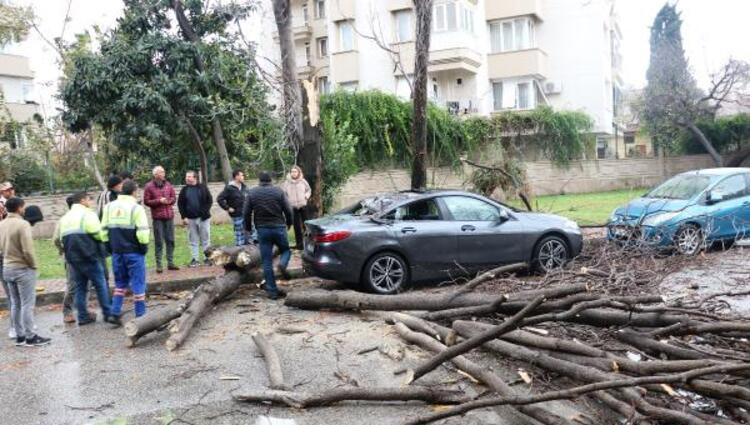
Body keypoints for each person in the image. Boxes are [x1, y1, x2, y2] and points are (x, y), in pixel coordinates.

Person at [55, 192, 116, 326]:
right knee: (100, 283)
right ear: (82, 200)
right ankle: (108, 314)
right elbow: (98, 234)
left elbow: (59, 239)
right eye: (89, 199)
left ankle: (82, 317)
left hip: (72, 258)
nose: (90, 202)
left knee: (80, 287)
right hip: (88, 255)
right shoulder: (88, 214)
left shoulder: (65, 218)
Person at [0, 197, 51, 346]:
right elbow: (27, 250)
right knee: (27, 304)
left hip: (7, 267)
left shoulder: (2, 224)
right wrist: (33, 265)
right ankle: (30, 337)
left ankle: (20, 336)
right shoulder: (23, 224)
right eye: (23, 207)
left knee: (15, 303)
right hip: (22, 268)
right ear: (19, 208)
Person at [101, 180, 150, 321]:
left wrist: (109, 247)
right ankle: (141, 316)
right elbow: (142, 231)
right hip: (134, 251)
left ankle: (115, 313)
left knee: (120, 283)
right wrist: (143, 247)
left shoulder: (109, 207)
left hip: (117, 251)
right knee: (138, 283)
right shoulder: (136, 208)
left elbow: (103, 229)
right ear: (134, 191)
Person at [244, 171, 293, 300]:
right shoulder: (279, 191)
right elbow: (288, 209)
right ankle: (282, 263)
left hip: (262, 230)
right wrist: (289, 222)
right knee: (286, 250)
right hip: (279, 227)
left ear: (259, 180)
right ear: (270, 180)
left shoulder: (252, 193)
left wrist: (248, 228)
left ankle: (272, 291)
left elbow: (246, 212)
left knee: (266, 260)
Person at [143, 166, 178, 273]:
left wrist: (169, 201)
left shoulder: (168, 184)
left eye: (163, 171)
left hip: (169, 216)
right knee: (159, 241)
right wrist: (159, 201)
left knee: (171, 240)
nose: (163, 173)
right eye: (161, 172)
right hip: (158, 218)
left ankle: (170, 263)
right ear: (156, 174)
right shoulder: (149, 186)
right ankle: (159, 265)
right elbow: (146, 201)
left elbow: (173, 197)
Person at [177, 171, 213, 267]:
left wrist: (204, 212)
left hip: (203, 218)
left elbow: (209, 200)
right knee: (193, 240)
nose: (187, 178)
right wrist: (183, 216)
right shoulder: (184, 190)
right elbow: (180, 204)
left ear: (195, 177)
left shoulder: (203, 187)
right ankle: (195, 259)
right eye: (186, 177)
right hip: (190, 219)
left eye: (189, 176)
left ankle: (207, 258)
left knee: (205, 239)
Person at [283, 165, 311, 250]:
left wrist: (306, 196)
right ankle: (299, 245)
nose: (293, 173)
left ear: (298, 172)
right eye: (292, 172)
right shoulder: (287, 183)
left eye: (295, 172)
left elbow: (309, 190)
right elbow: (284, 194)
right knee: (296, 226)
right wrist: (288, 202)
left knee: (306, 225)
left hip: (303, 205)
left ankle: (309, 243)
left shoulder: (303, 181)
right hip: (293, 207)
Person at [218, 169, 249, 246]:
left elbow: (249, 198)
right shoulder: (229, 188)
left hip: (246, 213)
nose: (243, 177)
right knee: (239, 232)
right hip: (236, 214)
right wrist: (227, 208)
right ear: (236, 177)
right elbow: (219, 199)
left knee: (248, 232)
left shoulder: (244, 187)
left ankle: (248, 250)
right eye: (241, 175)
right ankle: (239, 248)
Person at [0, 182, 14, 338]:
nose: (9, 192)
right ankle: (15, 327)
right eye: (6, 190)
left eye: (10, 189)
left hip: (10, 251)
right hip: (4, 253)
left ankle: (19, 324)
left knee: (15, 293)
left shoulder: (14, 203)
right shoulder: (2, 206)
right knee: (12, 293)